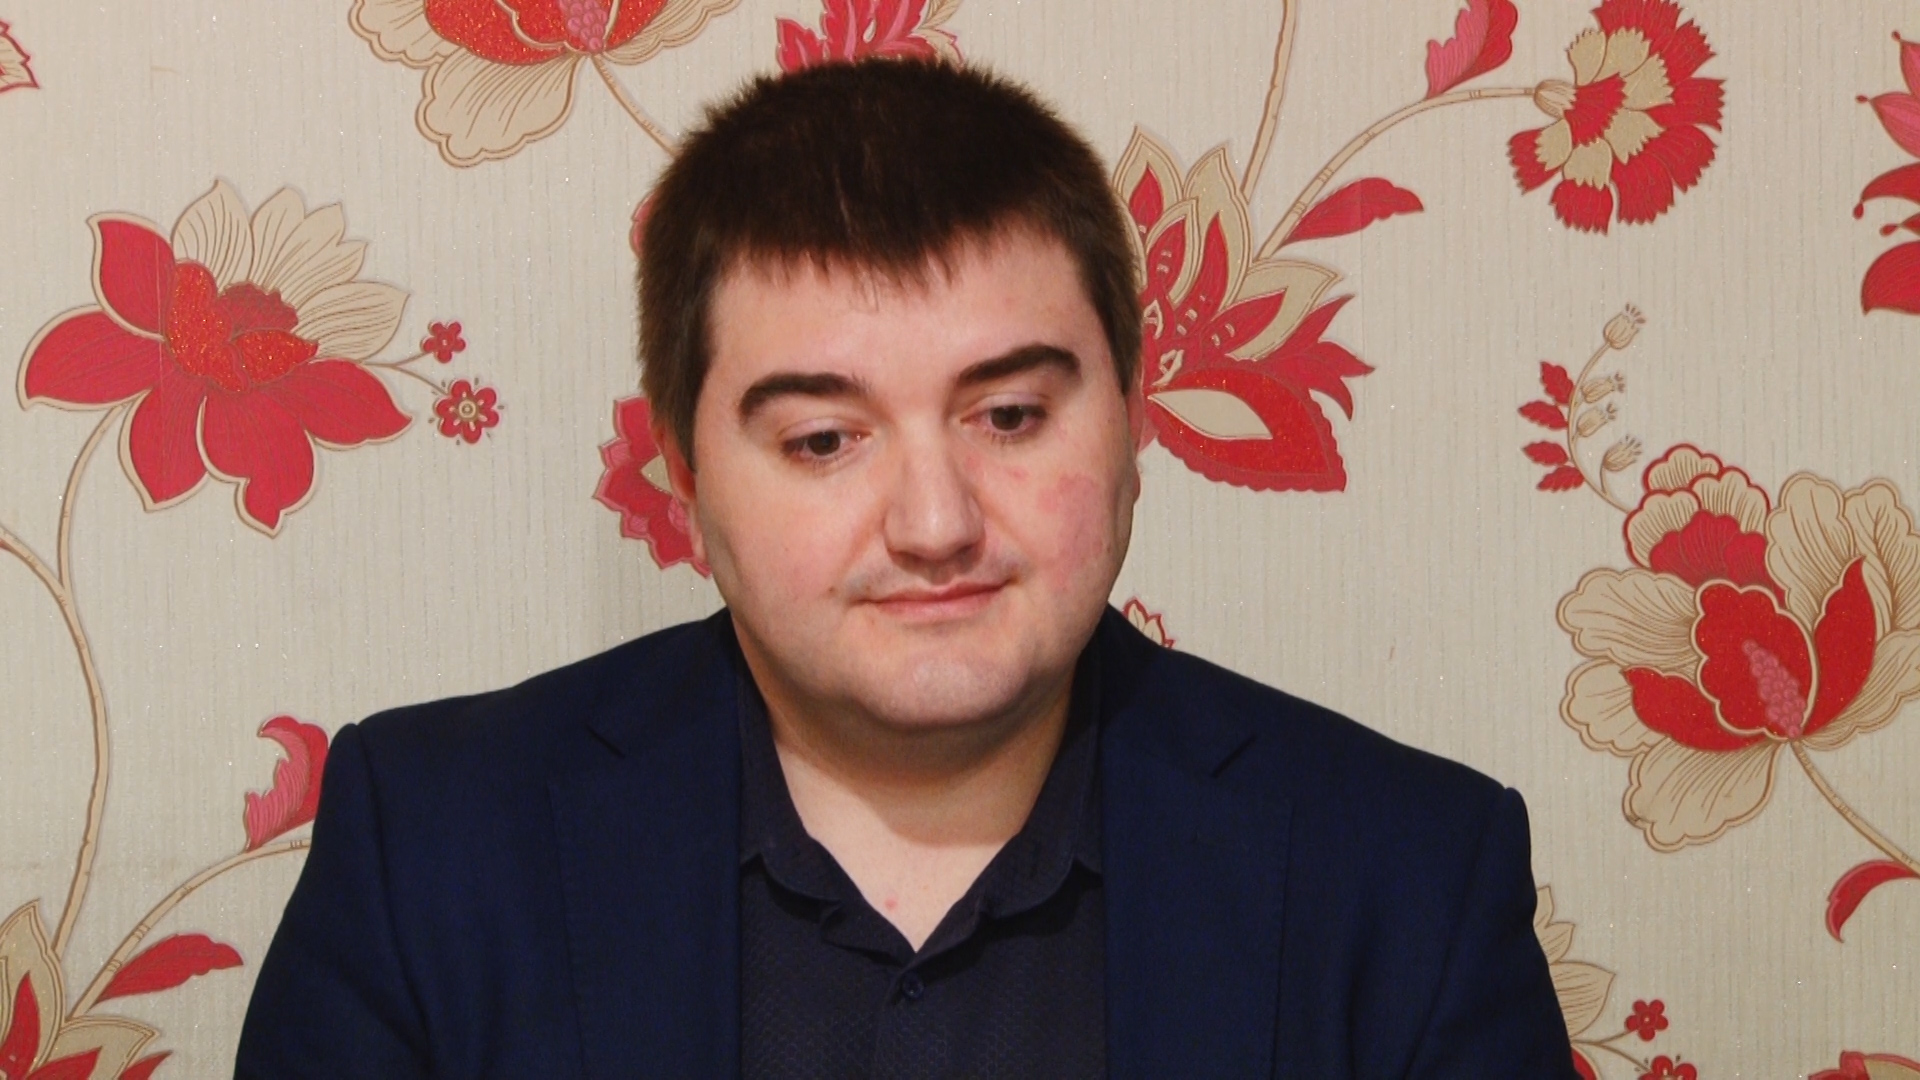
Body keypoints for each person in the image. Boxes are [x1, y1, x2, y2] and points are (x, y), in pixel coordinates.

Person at [235, 58, 1575, 1078]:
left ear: (1132, 428)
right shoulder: (429, 850)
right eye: (824, 439)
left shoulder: (1409, 876)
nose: (935, 523)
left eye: (1011, 417)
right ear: (686, 482)